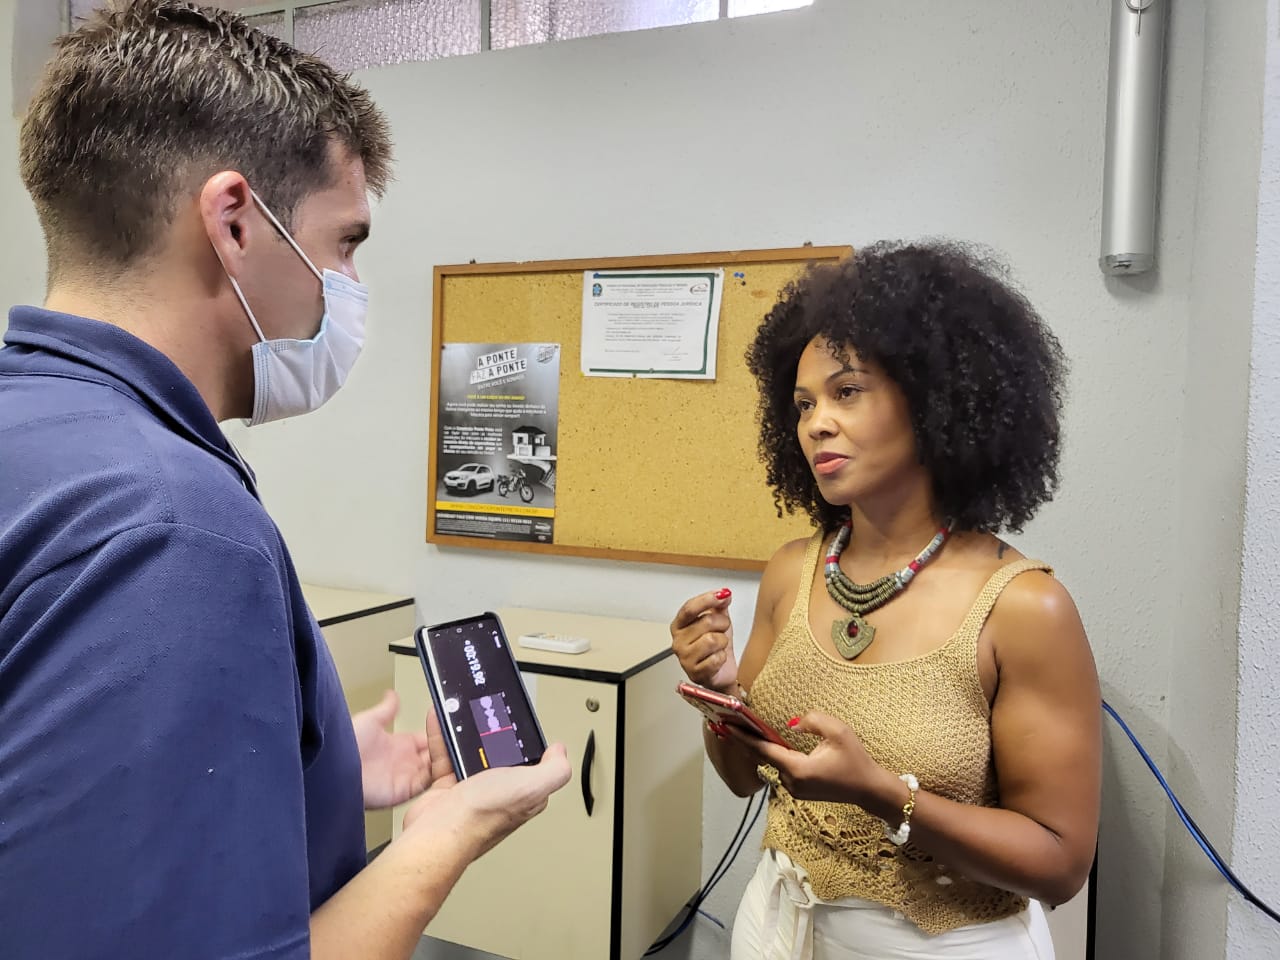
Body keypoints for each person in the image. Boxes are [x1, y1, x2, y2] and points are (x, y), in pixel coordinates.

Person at [0, 2, 569, 958]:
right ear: (233, 222)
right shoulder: (172, 530)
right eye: (344, 244)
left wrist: (313, 764)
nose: (345, 288)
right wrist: (440, 839)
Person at [670, 241, 1101, 960]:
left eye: (847, 392)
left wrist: (879, 793)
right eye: (803, 403)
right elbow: (746, 780)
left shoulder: (1023, 607)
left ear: (935, 401)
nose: (815, 423)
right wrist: (721, 696)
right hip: (778, 922)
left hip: (940, 944)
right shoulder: (790, 572)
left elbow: (1060, 863)